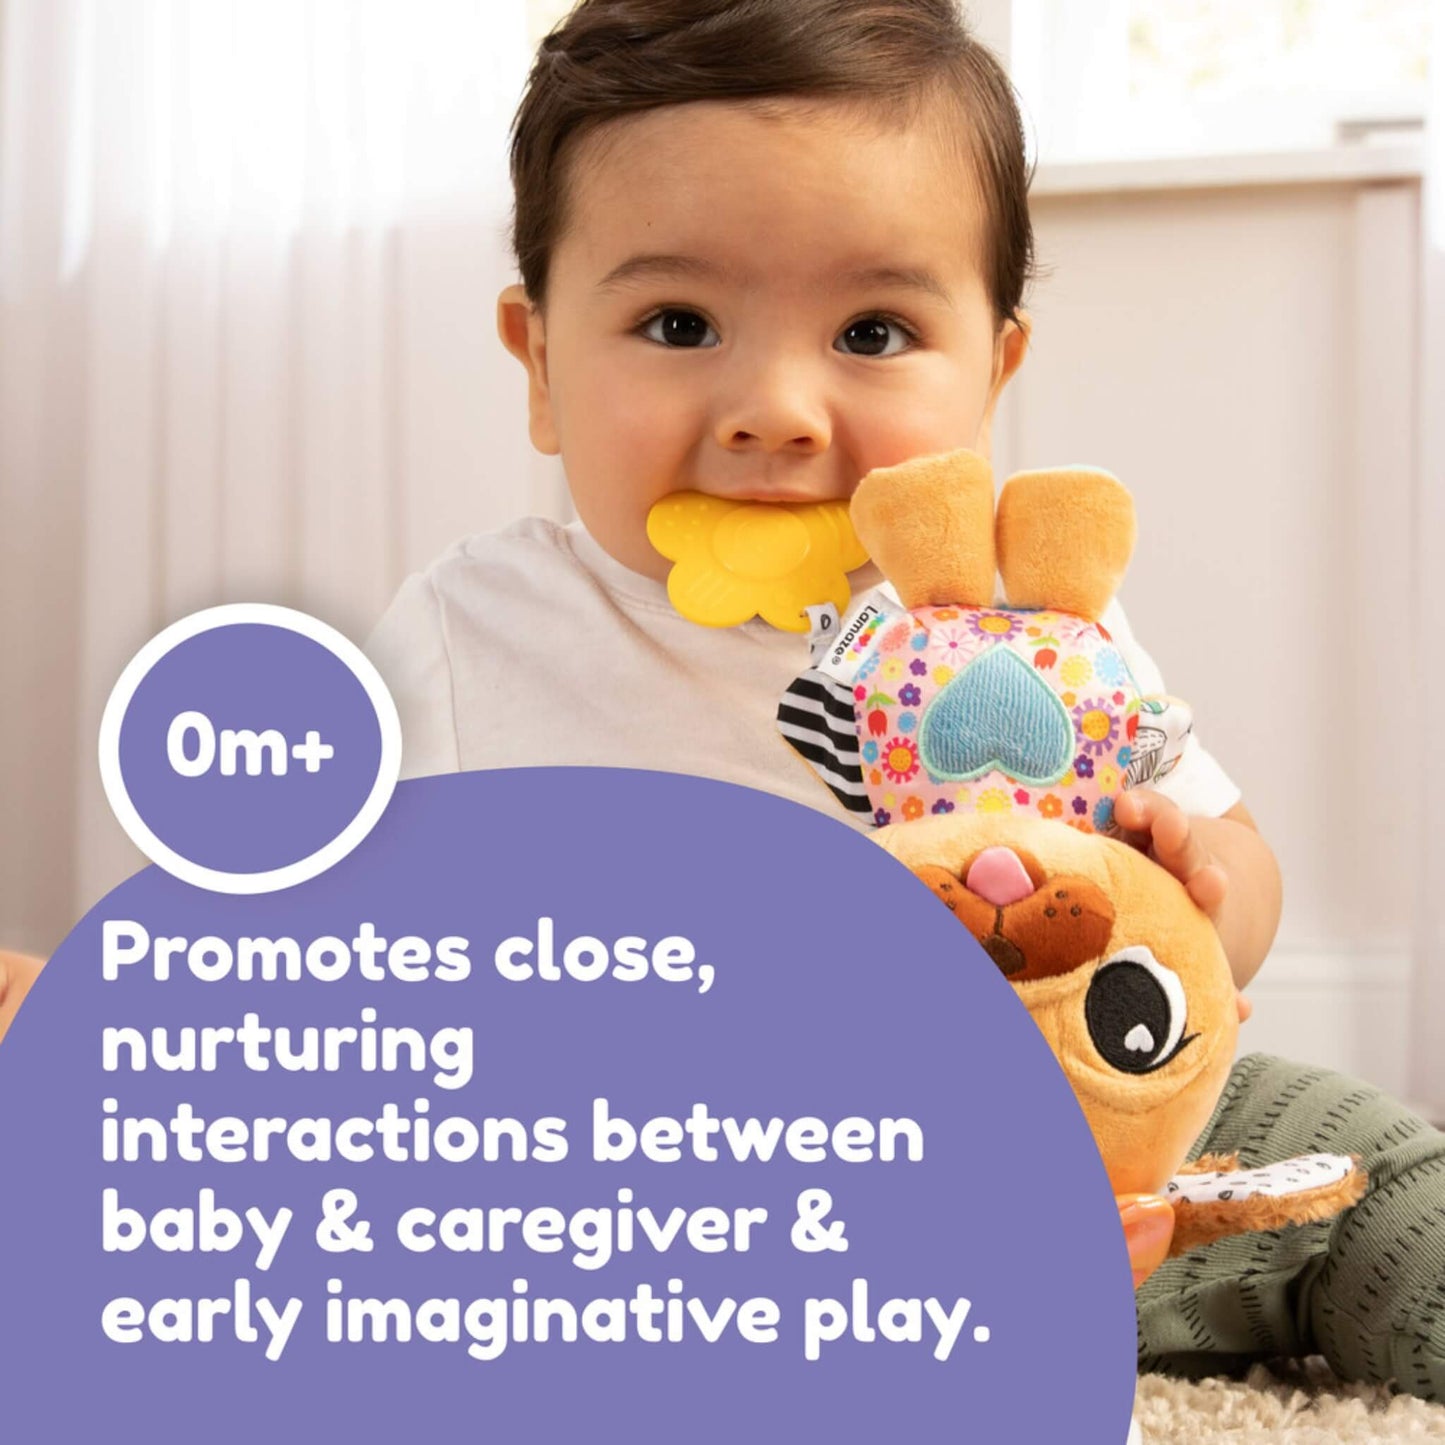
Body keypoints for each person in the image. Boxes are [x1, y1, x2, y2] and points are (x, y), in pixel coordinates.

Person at [366, 0, 1445, 1402]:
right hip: (672, 1202)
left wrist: (1203, 885)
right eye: (676, 322)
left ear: (991, 371)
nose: (778, 408)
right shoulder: (465, 637)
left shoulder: (1038, 628)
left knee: (1363, 1167)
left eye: (872, 329)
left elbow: (1227, 879)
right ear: (542, 366)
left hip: (1063, 1152)